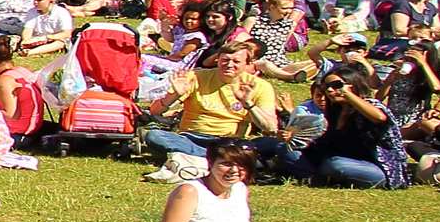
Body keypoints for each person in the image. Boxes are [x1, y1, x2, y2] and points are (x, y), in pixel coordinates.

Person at [268, 64, 408, 188]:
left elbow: (380, 118)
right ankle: (316, 178)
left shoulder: (371, 105)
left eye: (336, 86)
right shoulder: (335, 110)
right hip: (336, 159)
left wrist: (347, 94)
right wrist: (292, 138)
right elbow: (323, 143)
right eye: (326, 87)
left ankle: (318, 175)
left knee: (335, 165)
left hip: (375, 168)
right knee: (285, 148)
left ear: (352, 85)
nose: (329, 90)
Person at [144, 41, 280, 164]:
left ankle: (204, 157)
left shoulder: (259, 86)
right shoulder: (197, 77)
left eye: (236, 61)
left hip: (230, 142)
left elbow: (271, 128)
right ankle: (226, 159)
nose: (229, 65)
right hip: (191, 137)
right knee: (154, 136)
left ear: (247, 64)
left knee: (272, 144)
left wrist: (248, 104)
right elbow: (155, 111)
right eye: (225, 60)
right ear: (217, 60)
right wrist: (174, 95)